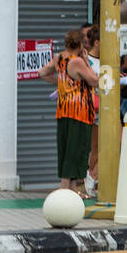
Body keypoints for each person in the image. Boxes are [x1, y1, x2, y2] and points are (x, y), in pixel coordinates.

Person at [38, 28, 99, 193]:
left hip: (63, 111)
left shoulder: (59, 58)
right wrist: (86, 61)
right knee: (75, 151)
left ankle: (71, 191)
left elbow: (42, 72)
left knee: (66, 150)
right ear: (80, 45)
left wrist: (59, 83)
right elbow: (94, 81)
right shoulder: (77, 62)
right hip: (79, 112)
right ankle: (64, 190)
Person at [82, 24, 101, 196]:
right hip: (95, 109)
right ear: (97, 42)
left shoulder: (108, 60)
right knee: (96, 148)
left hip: (107, 108)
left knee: (116, 143)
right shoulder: (88, 61)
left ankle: (93, 178)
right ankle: (91, 179)